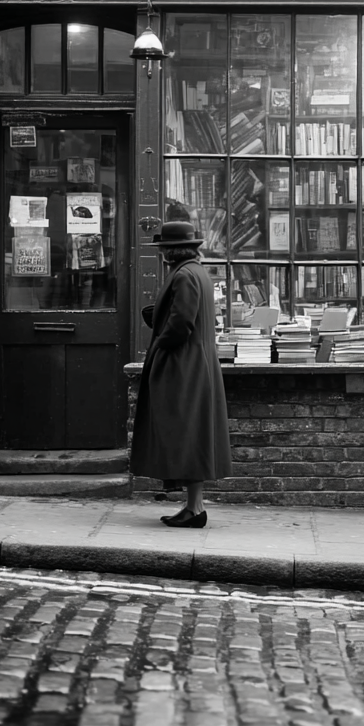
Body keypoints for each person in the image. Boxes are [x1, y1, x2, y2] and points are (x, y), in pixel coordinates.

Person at [131, 221, 232, 528]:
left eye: (162, 247)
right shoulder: (196, 271)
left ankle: (195, 508)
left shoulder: (184, 275)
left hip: (182, 363)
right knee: (192, 433)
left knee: (185, 432)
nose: (160, 252)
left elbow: (181, 324)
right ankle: (193, 507)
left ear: (170, 250)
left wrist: (159, 344)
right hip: (195, 361)